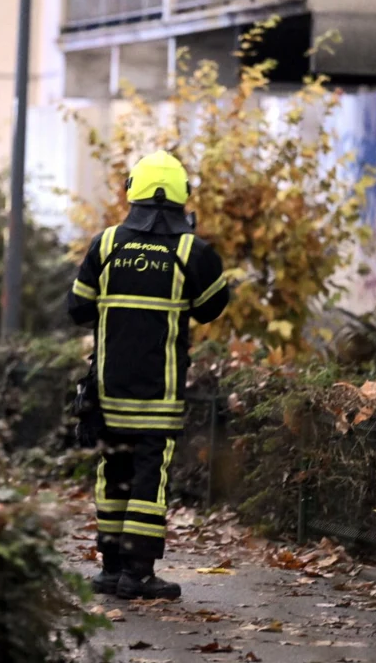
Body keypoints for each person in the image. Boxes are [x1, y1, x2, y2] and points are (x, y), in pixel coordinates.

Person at [67, 150, 230, 601]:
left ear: (132, 191)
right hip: (159, 392)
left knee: (113, 472)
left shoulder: (106, 244)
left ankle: (112, 569)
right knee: (147, 480)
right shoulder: (190, 252)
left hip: (108, 389)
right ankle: (138, 575)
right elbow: (212, 307)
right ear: (182, 196)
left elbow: (77, 307)